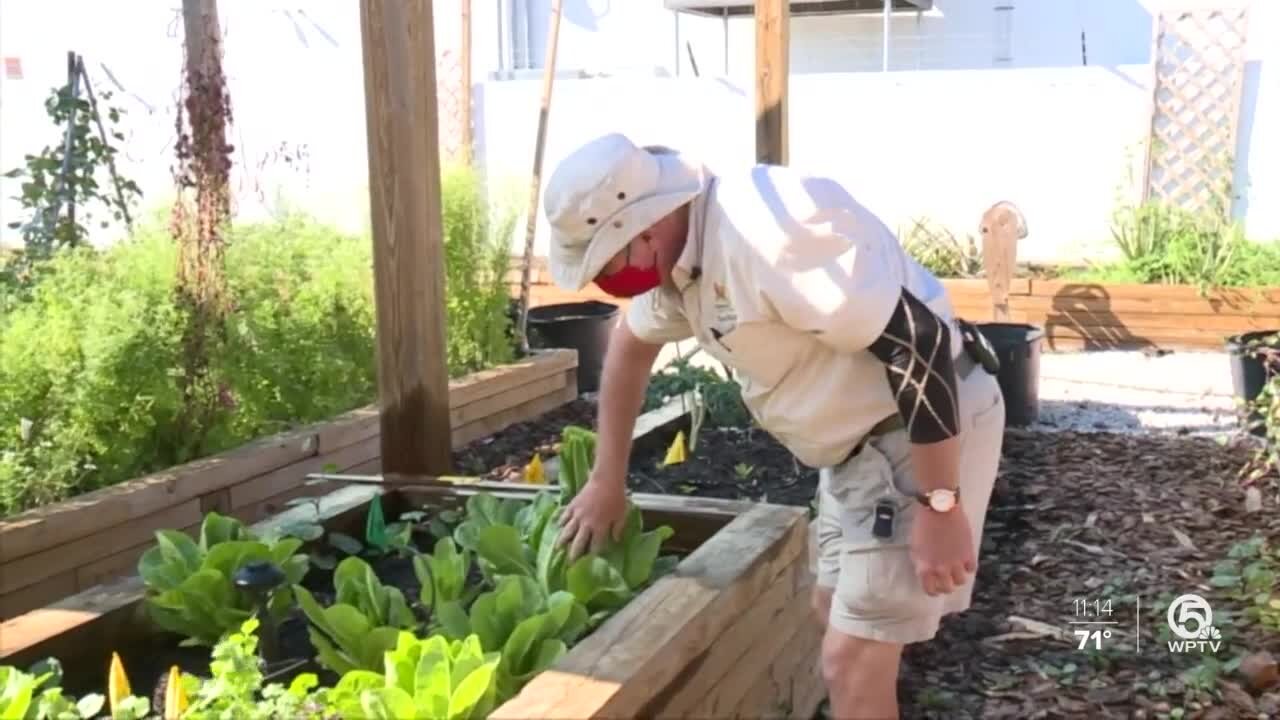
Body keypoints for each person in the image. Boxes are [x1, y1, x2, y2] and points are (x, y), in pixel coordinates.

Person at [541, 132, 1006, 719]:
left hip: (916, 435)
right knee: (828, 612)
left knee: (850, 659)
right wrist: (607, 480)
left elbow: (920, 343)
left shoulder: (767, 237)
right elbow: (629, 349)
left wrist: (942, 505)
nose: (605, 283)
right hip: (856, 457)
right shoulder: (681, 266)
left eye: (604, 266)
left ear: (645, 230)